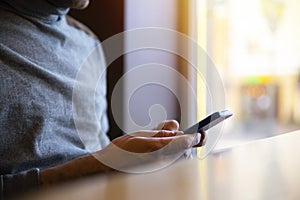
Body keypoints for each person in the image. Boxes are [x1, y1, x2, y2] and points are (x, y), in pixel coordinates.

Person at [0, 0, 205, 199]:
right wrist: (94, 170)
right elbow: (96, 166)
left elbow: (97, 152)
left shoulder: (87, 43)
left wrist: (144, 158)